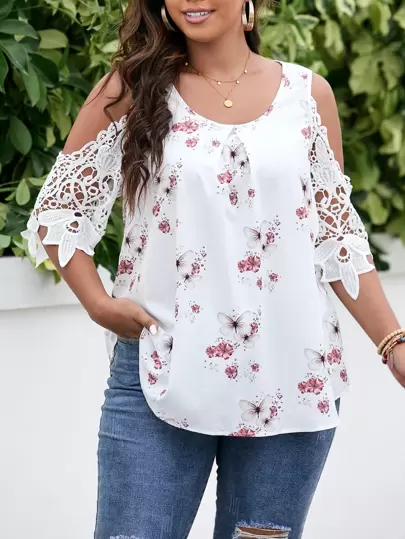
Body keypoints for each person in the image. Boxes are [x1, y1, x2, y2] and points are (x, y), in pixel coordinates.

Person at [22, 0, 405, 537]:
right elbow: (61, 210)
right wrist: (98, 304)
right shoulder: (132, 88)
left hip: (289, 381)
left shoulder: (307, 96)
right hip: (159, 372)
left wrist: (393, 343)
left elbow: (337, 238)